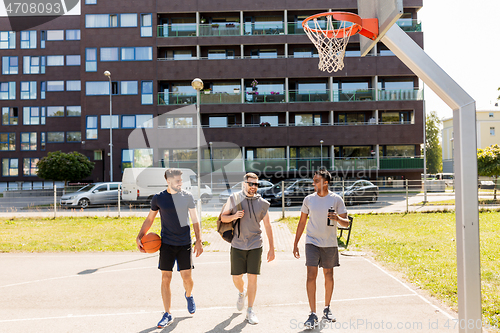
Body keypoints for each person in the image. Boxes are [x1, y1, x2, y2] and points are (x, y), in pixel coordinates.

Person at [136, 168, 203, 328]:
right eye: (178, 180)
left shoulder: (187, 197)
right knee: (166, 278)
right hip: (166, 243)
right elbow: (150, 219)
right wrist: (140, 236)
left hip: (184, 243)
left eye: (181, 180)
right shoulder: (159, 198)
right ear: (168, 181)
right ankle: (167, 313)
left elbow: (195, 220)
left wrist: (199, 240)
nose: (181, 183)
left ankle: (189, 295)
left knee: (187, 278)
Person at [292, 169, 350, 329]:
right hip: (312, 242)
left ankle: (327, 308)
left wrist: (338, 218)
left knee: (328, 275)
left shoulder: (336, 199)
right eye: (313, 180)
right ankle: (312, 313)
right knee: (311, 275)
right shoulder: (308, 199)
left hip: (330, 243)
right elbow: (302, 222)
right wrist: (296, 242)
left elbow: (346, 223)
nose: (313, 183)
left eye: (316, 180)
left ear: (325, 182)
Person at [221, 172, 275, 325]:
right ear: (244, 183)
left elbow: (268, 225)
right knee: (237, 277)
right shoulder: (234, 199)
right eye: (250, 183)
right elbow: (223, 218)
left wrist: (272, 248)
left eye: (256, 184)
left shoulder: (262, 203)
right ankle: (241, 292)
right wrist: (234, 216)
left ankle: (250, 310)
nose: (253, 187)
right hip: (238, 244)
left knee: (253, 277)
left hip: (255, 244)